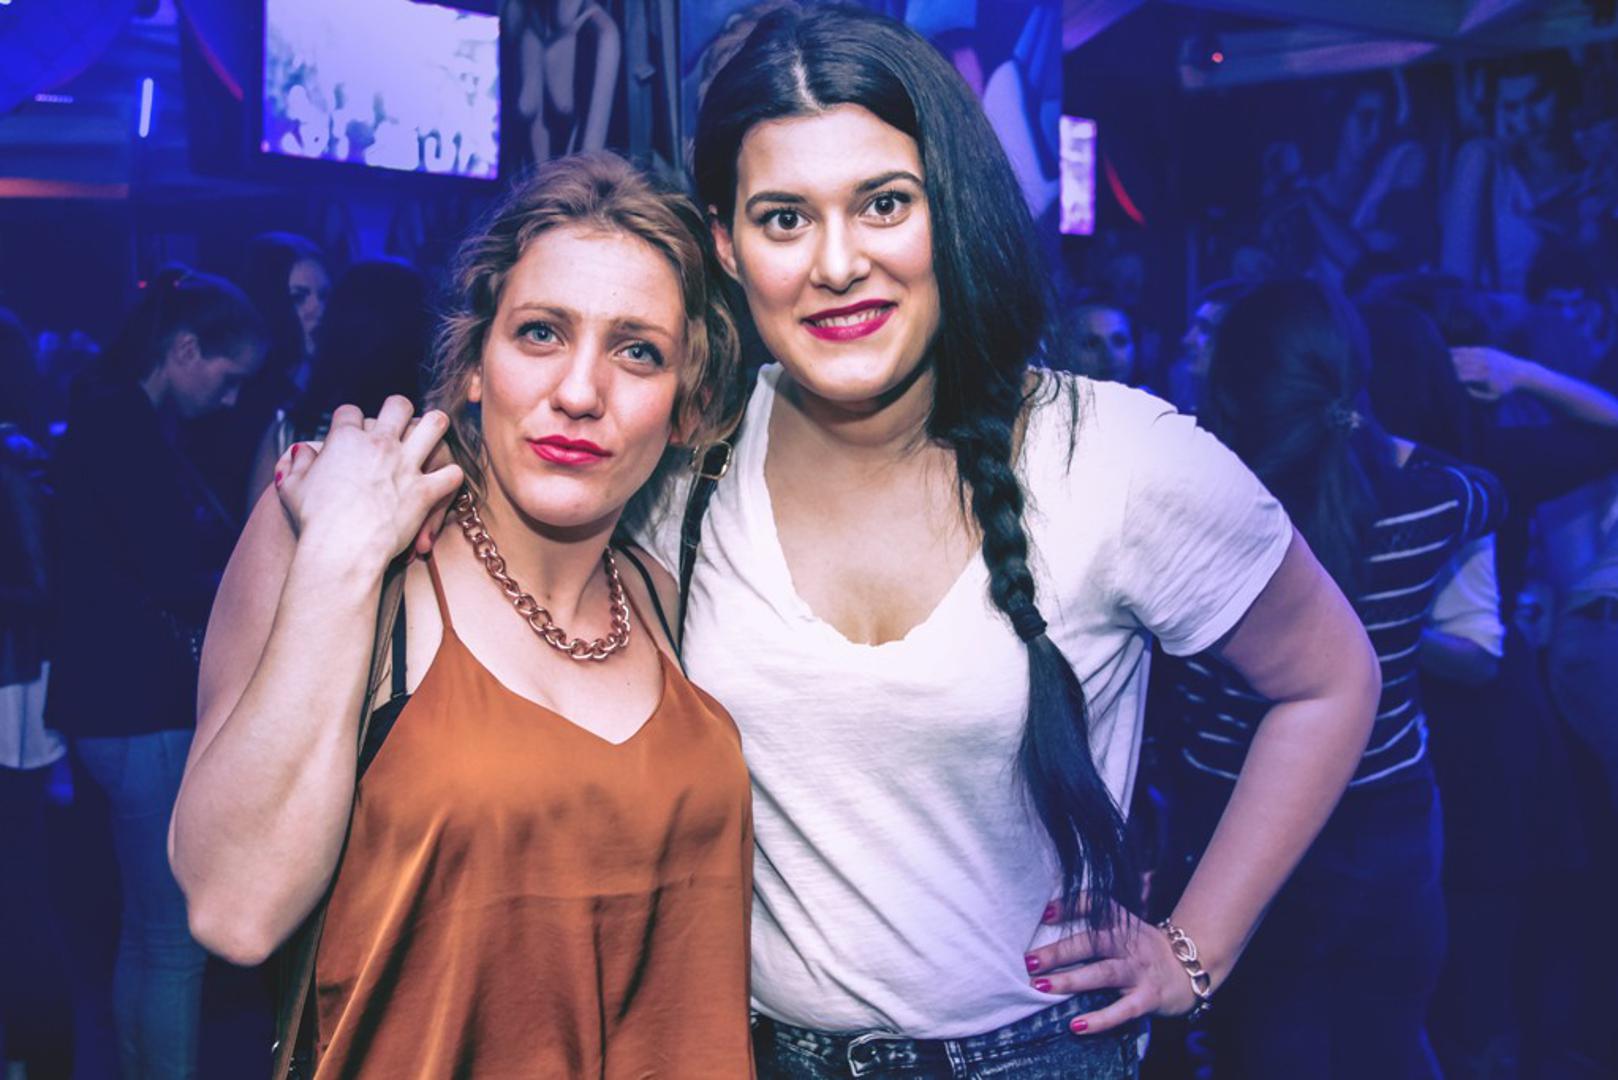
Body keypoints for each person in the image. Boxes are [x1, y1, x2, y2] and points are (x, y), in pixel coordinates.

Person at [631, 6, 1379, 1076]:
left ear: (951, 205)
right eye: (784, 218)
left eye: (883, 203)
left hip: (1037, 1057)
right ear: (726, 245)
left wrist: (1195, 949)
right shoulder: (686, 465)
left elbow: (1331, 681)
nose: (837, 263)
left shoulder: (1116, 459)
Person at [168, 153, 755, 1076]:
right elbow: (233, 911)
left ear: (686, 407)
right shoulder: (335, 541)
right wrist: (342, 554)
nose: (579, 392)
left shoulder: (661, 595)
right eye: (540, 333)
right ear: (477, 366)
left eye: (637, 351)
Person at [1153, 280, 1504, 1078]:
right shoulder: (1432, 501)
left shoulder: (1203, 502)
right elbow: (1494, 494)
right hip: (1386, 808)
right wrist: (1385, 443)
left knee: (1262, 1044)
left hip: (1238, 808)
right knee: (1388, 1040)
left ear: (1233, 386)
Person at [46, 268, 265, 1079]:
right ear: (184, 349)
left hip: (106, 704)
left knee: (146, 935)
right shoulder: (124, 427)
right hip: (139, 705)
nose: (231, 399)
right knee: (172, 941)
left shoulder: (103, 414)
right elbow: (171, 572)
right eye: (227, 376)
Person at [244, 257, 433, 505]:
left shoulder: (292, 430)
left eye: (324, 297)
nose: (316, 309)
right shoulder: (432, 433)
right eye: (299, 297)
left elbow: (257, 525)